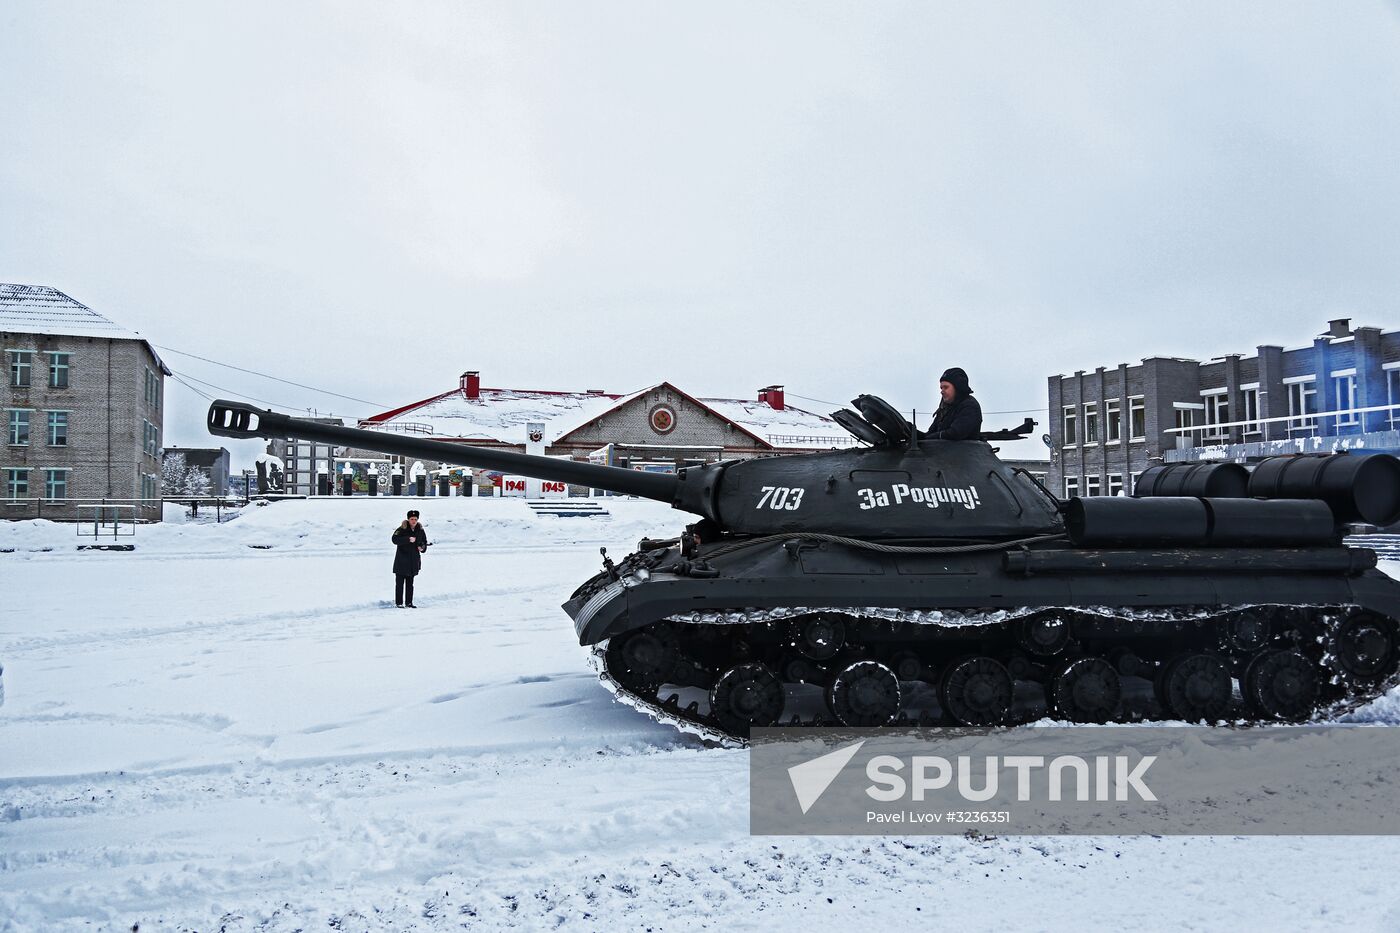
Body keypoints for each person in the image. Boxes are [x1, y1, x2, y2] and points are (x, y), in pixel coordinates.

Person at [923, 367, 983, 440]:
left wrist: (932, 437)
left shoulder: (969, 406)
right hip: (943, 450)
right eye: (941, 388)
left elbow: (956, 433)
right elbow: (930, 434)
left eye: (946, 387)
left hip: (963, 451)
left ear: (957, 387)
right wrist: (911, 430)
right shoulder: (944, 409)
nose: (942, 391)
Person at [391, 509, 429, 608]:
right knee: (399, 584)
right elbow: (394, 539)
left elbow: (424, 542)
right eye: (412, 519)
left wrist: (422, 548)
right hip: (401, 561)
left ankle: (409, 603)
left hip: (413, 561)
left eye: (415, 519)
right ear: (408, 519)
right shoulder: (402, 528)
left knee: (410, 584)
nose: (413, 521)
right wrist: (407, 539)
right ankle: (399, 603)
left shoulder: (420, 530)